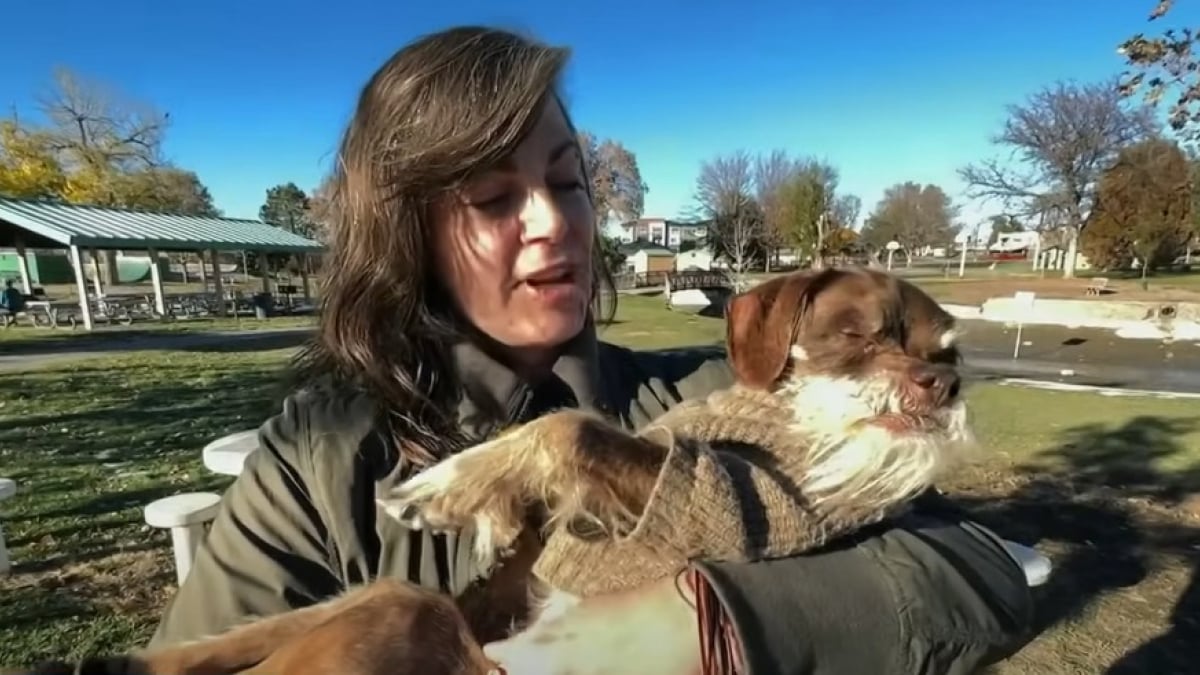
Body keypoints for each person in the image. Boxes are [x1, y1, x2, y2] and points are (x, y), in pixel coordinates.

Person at [148, 26, 1035, 674]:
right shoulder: (320, 456)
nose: (552, 223)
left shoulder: (715, 394)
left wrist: (687, 628)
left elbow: (979, 576)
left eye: (568, 183)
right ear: (406, 233)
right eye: (494, 199)